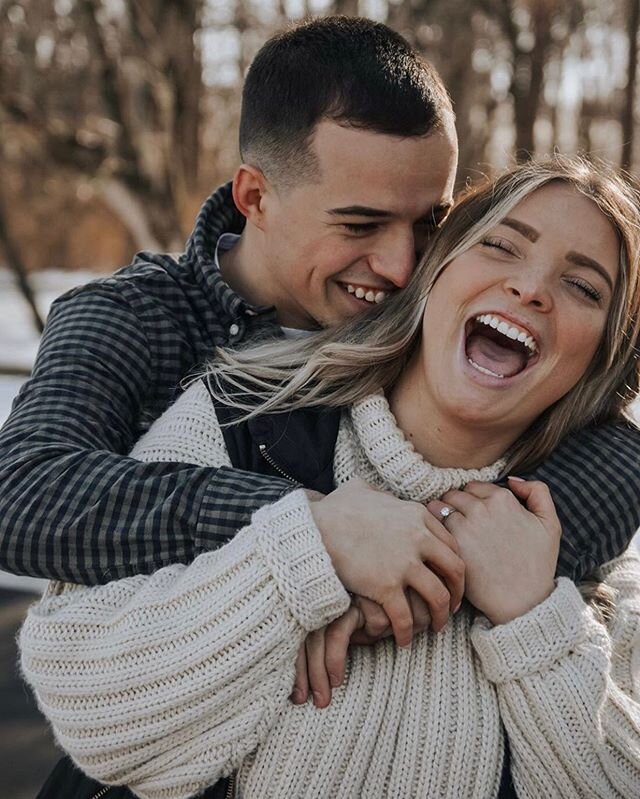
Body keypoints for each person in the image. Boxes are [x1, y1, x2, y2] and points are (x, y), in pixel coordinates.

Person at [20, 158, 640, 799]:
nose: (531, 288)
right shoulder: (242, 417)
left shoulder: (586, 542)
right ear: (437, 270)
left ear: (600, 353)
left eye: (584, 288)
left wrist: (533, 623)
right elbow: (89, 704)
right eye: (502, 246)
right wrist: (301, 557)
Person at [1, 15, 640, 608]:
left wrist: (447, 562)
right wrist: (309, 528)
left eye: (429, 223)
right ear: (255, 196)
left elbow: (613, 450)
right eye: (361, 224)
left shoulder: (438, 308)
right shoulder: (135, 318)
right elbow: (23, 494)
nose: (400, 265)